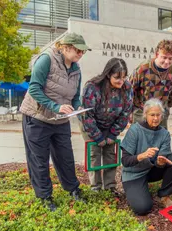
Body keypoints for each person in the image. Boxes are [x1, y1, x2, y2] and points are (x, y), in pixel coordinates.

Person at [20, 33, 91, 211]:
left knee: (66, 158)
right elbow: (34, 88)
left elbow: (75, 96)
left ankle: (73, 189)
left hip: (60, 121)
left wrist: (77, 107)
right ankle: (45, 197)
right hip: (37, 118)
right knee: (39, 160)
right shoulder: (46, 59)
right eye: (78, 50)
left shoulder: (76, 68)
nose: (81, 54)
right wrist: (55, 106)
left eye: (83, 51)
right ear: (66, 47)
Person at [79, 58, 133, 194]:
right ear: (108, 74)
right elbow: (87, 115)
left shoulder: (126, 87)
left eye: (124, 77)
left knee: (110, 152)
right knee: (95, 153)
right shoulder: (92, 87)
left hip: (111, 123)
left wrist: (112, 134)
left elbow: (126, 113)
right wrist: (97, 137)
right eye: (117, 77)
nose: (121, 81)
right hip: (90, 123)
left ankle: (110, 187)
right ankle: (95, 187)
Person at [121, 98, 172, 215]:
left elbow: (162, 158)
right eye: (152, 115)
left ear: (162, 116)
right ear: (145, 114)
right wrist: (141, 156)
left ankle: (164, 196)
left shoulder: (164, 133)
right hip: (133, 174)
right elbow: (125, 161)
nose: (155, 118)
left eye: (158, 115)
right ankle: (135, 190)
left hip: (151, 170)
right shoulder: (135, 130)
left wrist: (160, 163)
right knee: (143, 208)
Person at [130, 40, 172, 129]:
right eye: (164, 57)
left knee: (160, 140)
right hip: (141, 111)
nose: (167, 62)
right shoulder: (143, 68)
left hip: (161, 112)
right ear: (157, 54)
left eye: (170, 58)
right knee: (140, 140)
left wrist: (167, 106)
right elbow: (130, 88)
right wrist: (129, 111)